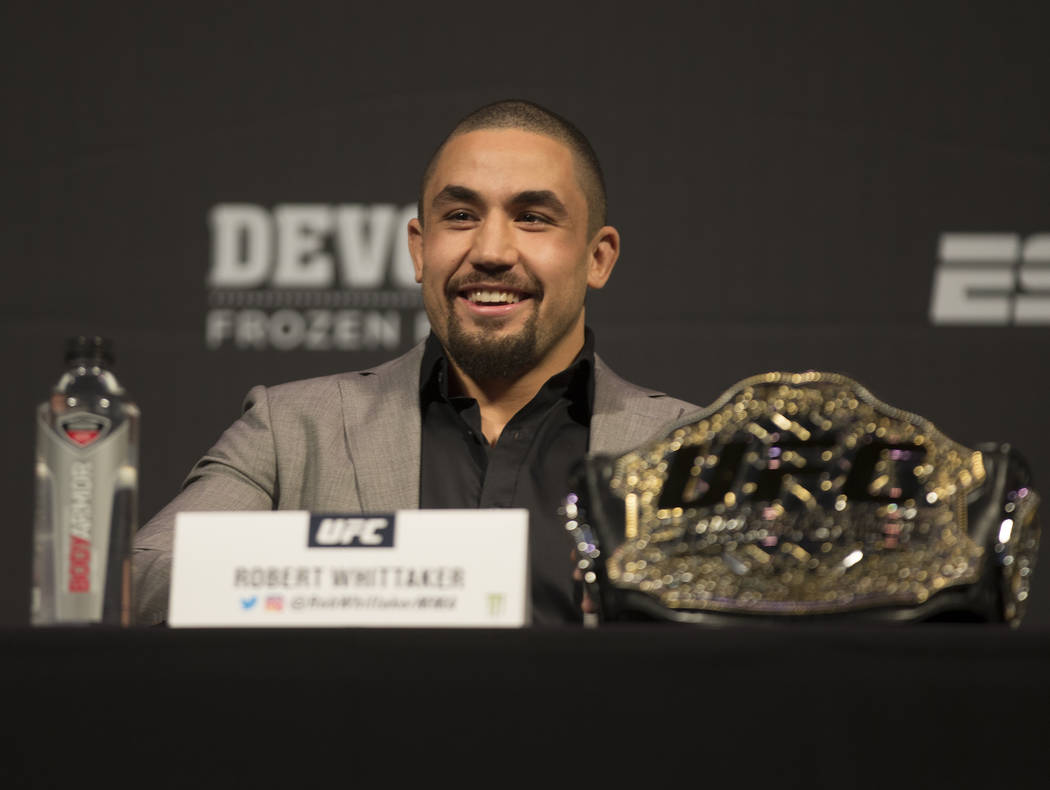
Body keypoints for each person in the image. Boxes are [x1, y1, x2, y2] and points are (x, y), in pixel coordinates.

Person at [132, 100, 698, 625]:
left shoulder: (692, 450)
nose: (492, 251)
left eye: (532, 217)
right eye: (459, 215)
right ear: (418, 249)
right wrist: (378, 581)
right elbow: (147, 576)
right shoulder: (291, 428)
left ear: (597, 258)